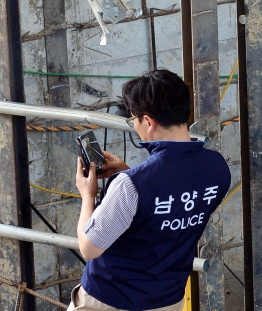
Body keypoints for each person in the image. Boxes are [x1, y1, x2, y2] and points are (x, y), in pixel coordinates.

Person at [68, 69, 231, 311]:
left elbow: (89, 248)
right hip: (169, 299)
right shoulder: (217, 168)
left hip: (110, 299)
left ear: (148, 121)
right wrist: (128, 172)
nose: (135, 125)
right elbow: (173, 200)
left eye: (133, 118)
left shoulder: (130, 186)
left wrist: (88, 195)